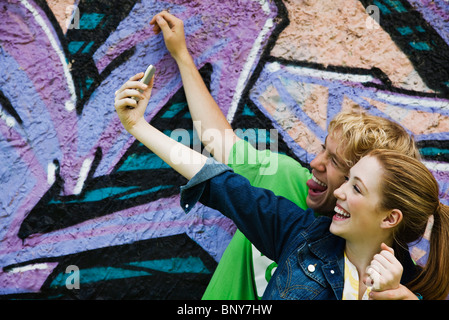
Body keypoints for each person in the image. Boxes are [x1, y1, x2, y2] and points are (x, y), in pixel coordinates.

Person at [148, 12, 423, 299]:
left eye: (335, 162)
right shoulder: (283, 177)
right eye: (322, 150)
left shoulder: (394, 276)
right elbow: (218, 140)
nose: (315, 163)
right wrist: (181, 55)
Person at [114, 77, 449, 299]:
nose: (341, 192)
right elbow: (217, 179)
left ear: (390, 218)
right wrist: (138, 126)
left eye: (355, 186)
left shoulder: (407, 290)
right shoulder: (299, 233)